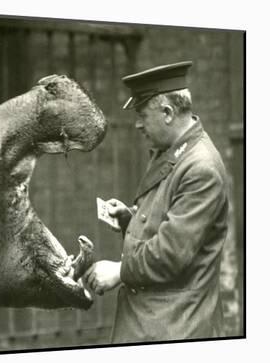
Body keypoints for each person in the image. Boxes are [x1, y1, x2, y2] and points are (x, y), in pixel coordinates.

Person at [82, 61, 229, 343]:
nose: (137, 124)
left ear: (168, 113)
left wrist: (119, 271)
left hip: (177, 326)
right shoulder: (172, 150)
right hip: (154, 320)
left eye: (142, 115)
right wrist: (130, 218)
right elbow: (169, 217)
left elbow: (172, 253)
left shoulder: (201, 168)